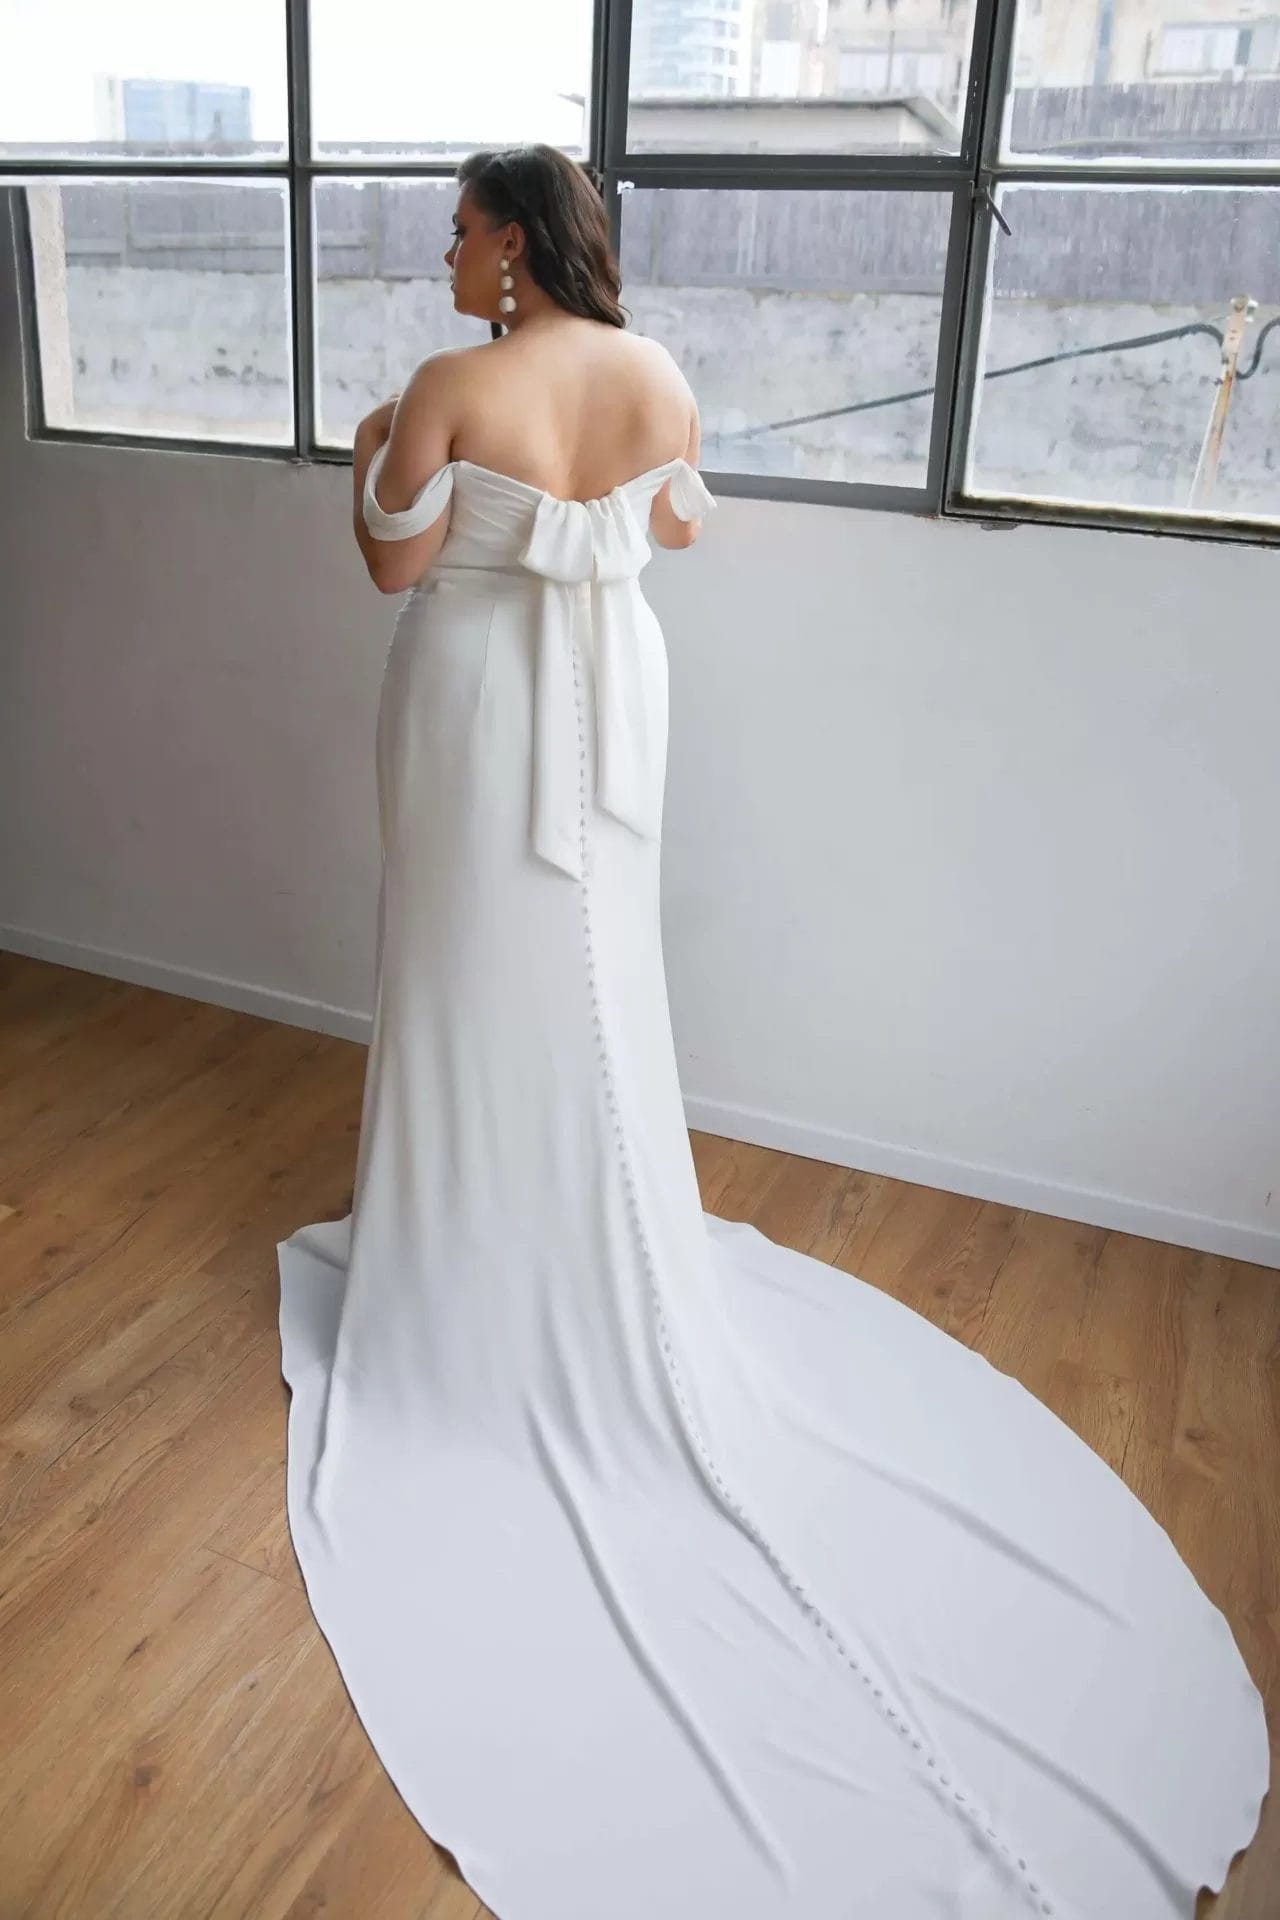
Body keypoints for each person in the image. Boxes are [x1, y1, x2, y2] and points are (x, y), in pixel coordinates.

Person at [277, 146, 1267, 1920]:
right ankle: (593, 1242)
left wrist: (372, 452)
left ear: (511, 244)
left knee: (460, 970)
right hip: (614, 705)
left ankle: (472, 1270)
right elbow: (661, 531)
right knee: (594, 980)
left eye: (456, 226)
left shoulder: (447, 383)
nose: (442, 247)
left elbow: (390, 568)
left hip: (481, 691)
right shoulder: (657, 376)